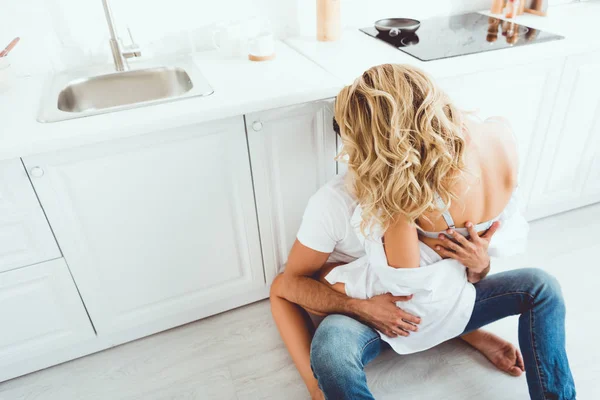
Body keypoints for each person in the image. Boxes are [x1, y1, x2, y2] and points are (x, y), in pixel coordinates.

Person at [270, 64, 576, 400]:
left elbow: (436, 283)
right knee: (331, 350)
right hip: (372, 314)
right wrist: (360, 309)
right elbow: (288, 284)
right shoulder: (334, 202)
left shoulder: (430, 187)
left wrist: (479, 263)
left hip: (433, 303)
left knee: (543, 286)